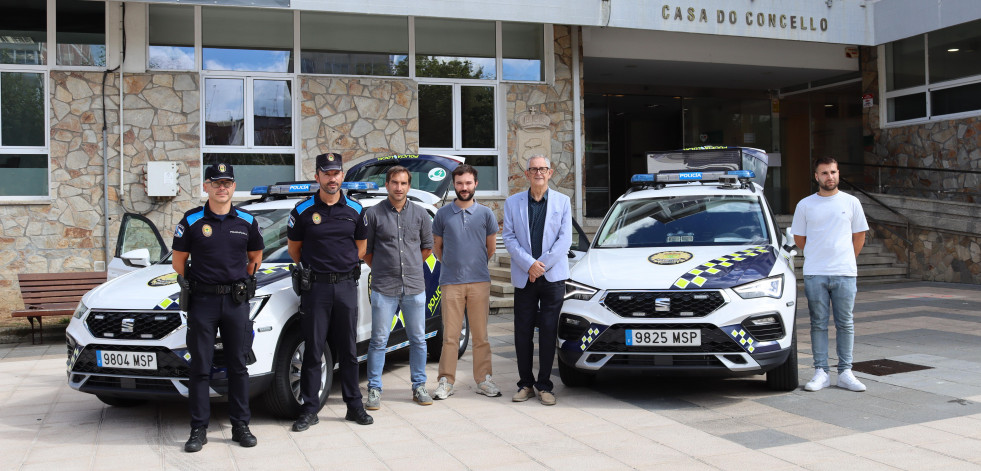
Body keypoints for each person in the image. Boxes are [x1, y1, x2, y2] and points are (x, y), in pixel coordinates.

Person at [172, 163, 264, 452]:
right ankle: (198, 429)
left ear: (234, 187)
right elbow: (178, 261)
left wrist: (241, 282)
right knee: (200, 366)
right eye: (216, 182)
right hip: (203, 303)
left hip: (236, 303)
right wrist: (199, 286)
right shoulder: (192, 220)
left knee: (238, 365)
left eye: (227, 182)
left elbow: (255, 257)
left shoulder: (247, 221)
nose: (222, 187)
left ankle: (241, 426)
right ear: (206, 186)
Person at [287, 153, 374, 430]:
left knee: (348, 349)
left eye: (336, 173)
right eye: (327, 173)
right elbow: (294, 251)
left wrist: (342, 269)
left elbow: (361, 248)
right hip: (316, 288)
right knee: (314, 349)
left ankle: (354, 405)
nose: (332, 178)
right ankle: (310, 409)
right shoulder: (301, 211)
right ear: (317, 177)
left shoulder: (356, 210)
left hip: (347, 286)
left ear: (342, 176)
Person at [791, 156, 869, 393]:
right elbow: (799, 239)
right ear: (816, 177)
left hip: (845, 273)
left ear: (838, 174)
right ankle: (821, 372)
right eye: (824, 173)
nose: (829, 177)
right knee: (818, 324)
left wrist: (845, 259)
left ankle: (845, 372)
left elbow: (859, 236)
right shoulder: (805, 205)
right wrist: (819, 254)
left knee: (846, 323)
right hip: (816, 273)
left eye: (833, 172)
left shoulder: (852, 202)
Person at [362, 165, 435, 409]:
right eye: (394, 182)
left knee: (418, 339)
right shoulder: (373, 214)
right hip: (384, 287)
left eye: (403, 183)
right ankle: (374, 389)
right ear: (387, 185)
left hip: (414, 286)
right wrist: (384, 268)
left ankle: (419, 386)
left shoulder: (421, 214)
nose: (399, 187)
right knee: (379, 340)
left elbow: (426, 247)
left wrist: (411, 266)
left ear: (409, 185)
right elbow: (367, 251)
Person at [502, 154, 572, 406]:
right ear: (527, 174)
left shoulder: (563, 201)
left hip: (552, 277)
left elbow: (565, 240)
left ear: (550, 173)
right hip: (525, 276)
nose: (538, 173)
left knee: (548, 331)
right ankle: (525, 384)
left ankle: (544, 385)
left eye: (543, 169)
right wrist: (529, 265)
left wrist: (540, 266)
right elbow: (509, 238)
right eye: (534, 169)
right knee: (522, 332)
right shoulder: (512, 203)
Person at [431, 164, 501, 400]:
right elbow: (437, 248)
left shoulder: (486, 214)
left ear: (475, 184)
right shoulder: (442, 215)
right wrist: (454, 265)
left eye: (468, 183)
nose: (464, 188)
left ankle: (484, 380)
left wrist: (473, 265)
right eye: (460, 183)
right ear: (454, 185)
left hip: (479, 281)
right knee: (450, 336)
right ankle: (445, 381)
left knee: (481, 336)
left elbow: (490, 249)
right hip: (451, 282)